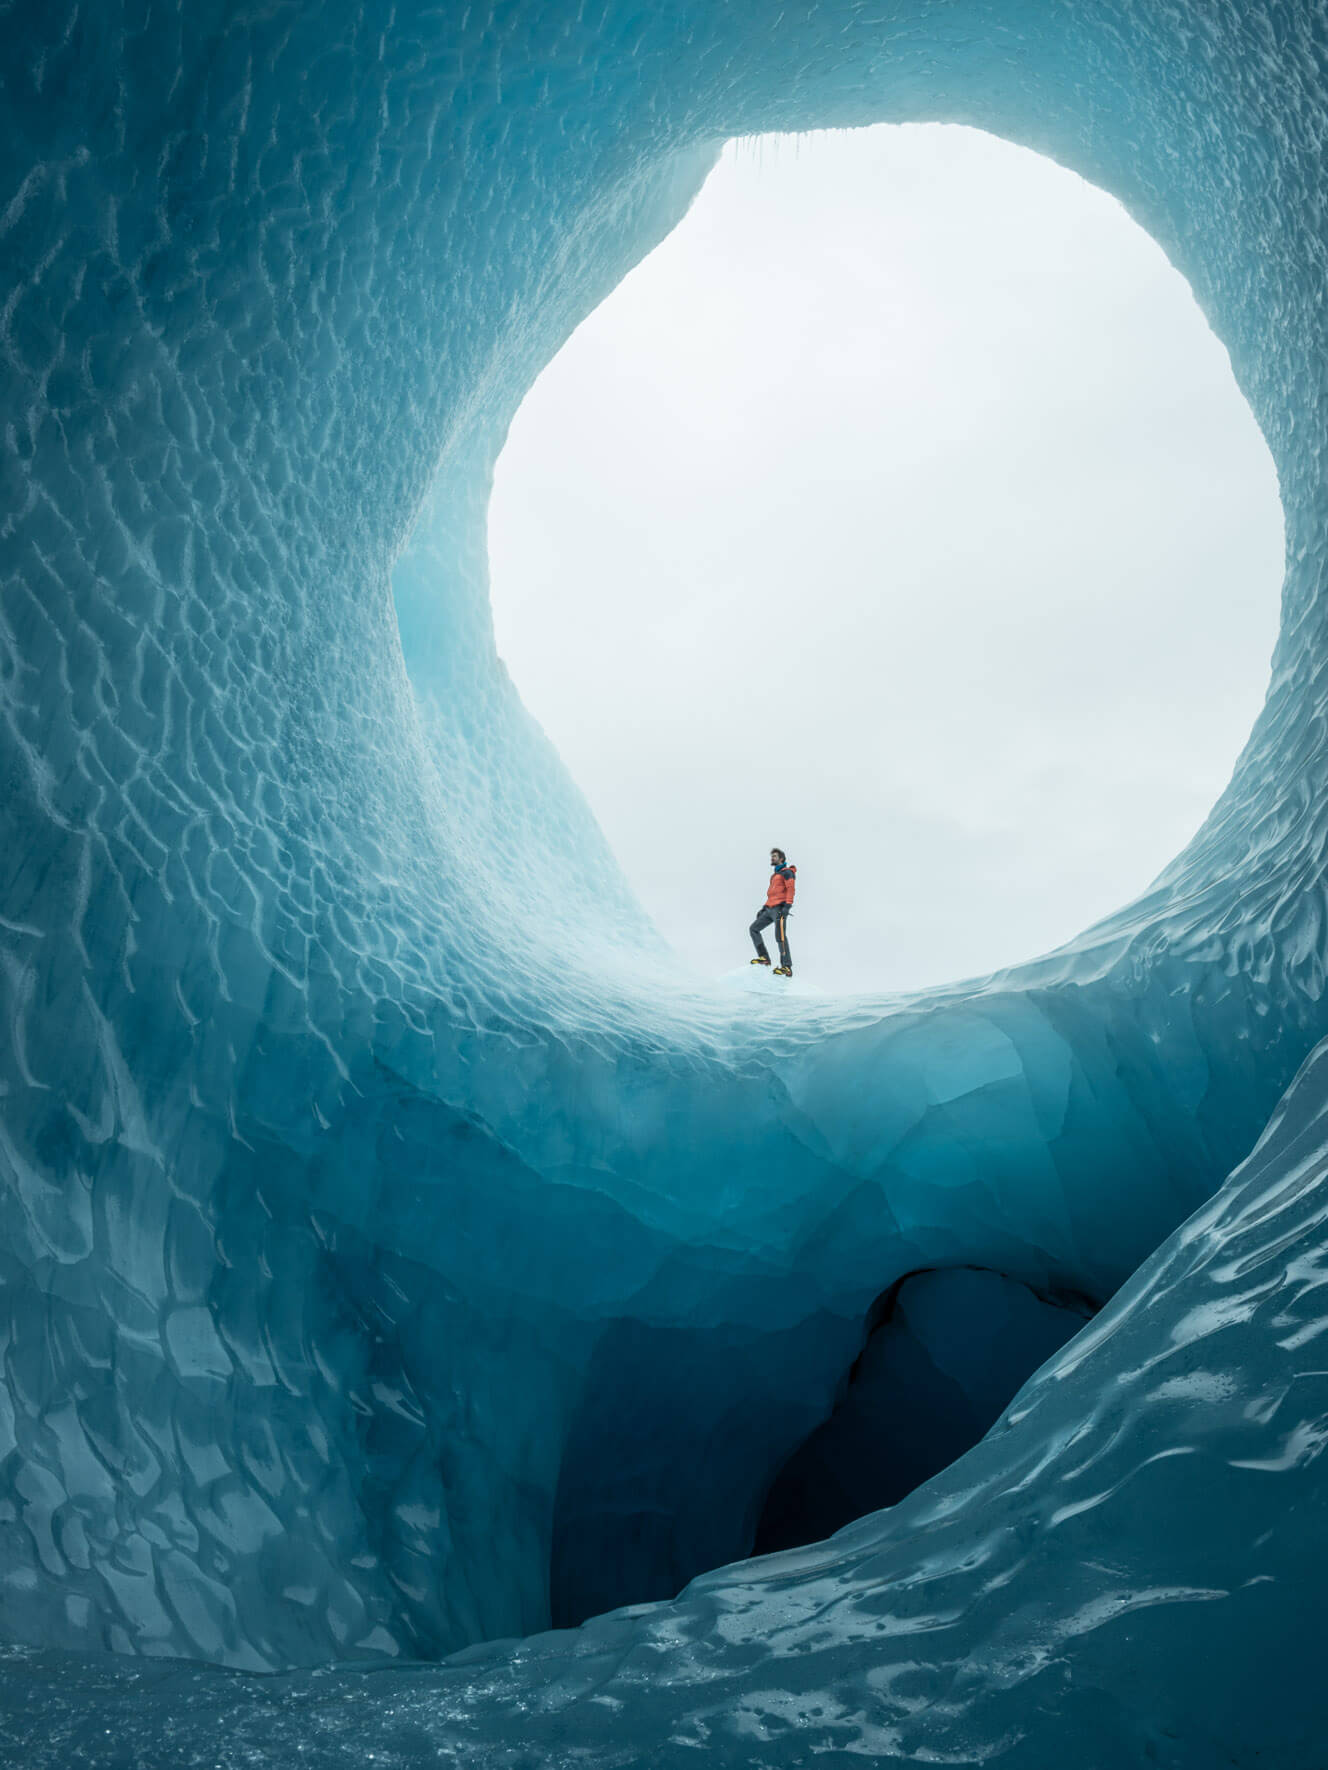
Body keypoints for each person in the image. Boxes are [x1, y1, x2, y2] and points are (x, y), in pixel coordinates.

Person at [750, 848, 796, 977]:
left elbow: (790, 889)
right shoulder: (775, 876)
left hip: (779, 909)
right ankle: (764, 958)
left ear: (781, 858)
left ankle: (786, 967)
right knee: (753, 929)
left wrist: (787, 907)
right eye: (772, 856)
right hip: (769, 909)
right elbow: (772, 894)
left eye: (774, 856)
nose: (772, 858)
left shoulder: (787, 873)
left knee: (780, 936)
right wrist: (764, 908)